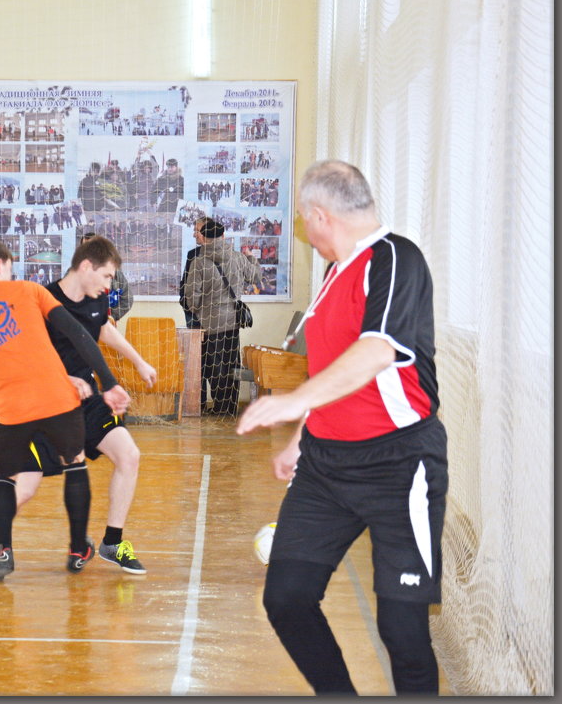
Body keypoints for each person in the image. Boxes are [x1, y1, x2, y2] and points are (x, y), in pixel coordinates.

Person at [236, 160, 448, 695]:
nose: (306, 231)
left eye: (304, 223)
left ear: (318, 216)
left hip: (399, 466)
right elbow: (333, 366)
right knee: (287, 598)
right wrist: (305, 433)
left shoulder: (395, 257)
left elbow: (377, 351)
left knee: (401, 628)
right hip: (327, 468)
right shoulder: (334, 272)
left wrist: (292, 402)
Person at [0, 236, 155, 574]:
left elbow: (103, 333)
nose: (110, 285)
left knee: (129, 455)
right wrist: (63, 380)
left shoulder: (97, 302)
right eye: (107, 276)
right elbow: (21, 354)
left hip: (88, 403)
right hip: (45, 405)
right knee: (24, 488)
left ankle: (113, 542)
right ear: (85, 267)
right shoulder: (40, 300)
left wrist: (139, 363)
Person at [182, 217, 261, 415]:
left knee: (212, 365)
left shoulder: (199, 262)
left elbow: (192, 298)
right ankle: (228, 408)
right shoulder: (237, 257)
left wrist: (199, 310)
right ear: (222, 236)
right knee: (230, 365)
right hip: (232, 321)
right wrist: (251, 258)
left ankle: (214, 407)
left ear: (205, 237)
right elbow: (255, 277)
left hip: (208, 322)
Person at [79, 232, 131, 321]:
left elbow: (127, 299)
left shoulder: (114, 272)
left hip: (107, 327)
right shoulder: (74, 272)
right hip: (82, 325)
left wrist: (112, 316)